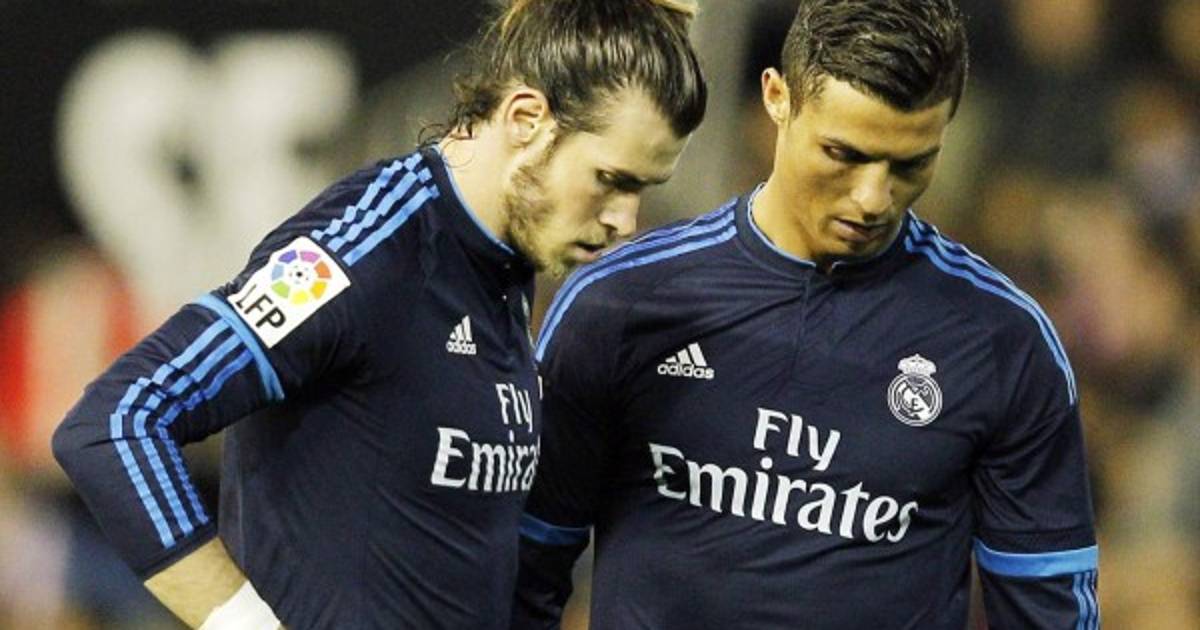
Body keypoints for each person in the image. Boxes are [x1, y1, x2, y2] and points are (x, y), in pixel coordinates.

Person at [51, 1, 705, 627]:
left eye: (643, 189)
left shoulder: (503, 268)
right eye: (611, 180)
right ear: (526, 118)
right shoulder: (359, 253)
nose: (626, 221)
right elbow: (117, 422)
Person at [512, 1, 1099, 628]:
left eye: (909, 164)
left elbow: (1049, 613)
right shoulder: (621, 303)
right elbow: (521, 572)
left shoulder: (1003, 342)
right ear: (777, 98)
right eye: (843, 154)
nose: (873, 199)